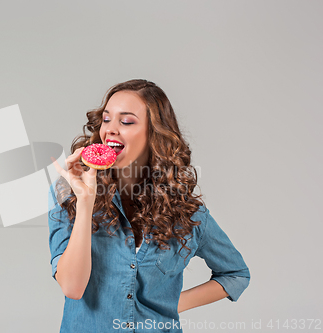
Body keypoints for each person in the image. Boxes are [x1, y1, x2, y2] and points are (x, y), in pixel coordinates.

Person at [48, 79, 250, 333]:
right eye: (107, 119)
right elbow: (72, 288)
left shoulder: (187, 212)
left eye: (126, 121)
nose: (110, 129)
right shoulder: (69, 195)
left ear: (154, 133)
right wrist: (87, 202)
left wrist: (170, 305)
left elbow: (236, 274)